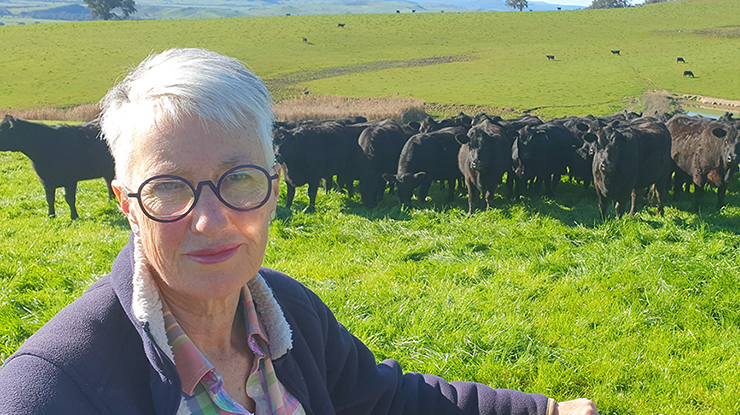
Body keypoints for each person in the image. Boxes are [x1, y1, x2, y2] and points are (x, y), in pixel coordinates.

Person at [0, 48, 598, 415]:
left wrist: (541, 410)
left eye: (239, 179)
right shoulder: (54, 389)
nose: (210, 220)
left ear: (276, 187)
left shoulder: (286, 312)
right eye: (169, 186)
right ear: (127, 206)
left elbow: (386, 400)